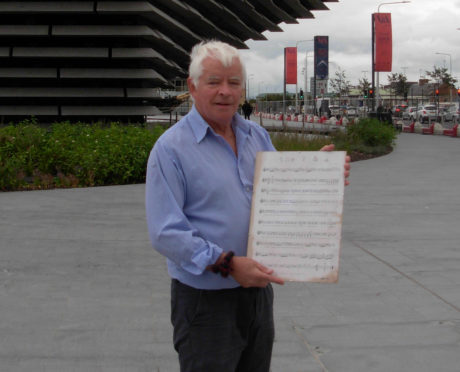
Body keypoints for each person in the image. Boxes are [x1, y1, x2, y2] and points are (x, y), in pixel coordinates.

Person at [145, 40, 350, 372]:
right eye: (214, 82)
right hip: (205, 303)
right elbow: (166, 233)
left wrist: (318, 176)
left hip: (257, 295)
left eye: (234, 82)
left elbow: (278, 200)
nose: (225, 91)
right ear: (193, 86)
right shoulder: (170, 150)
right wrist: (227, 264)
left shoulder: (256, 136)